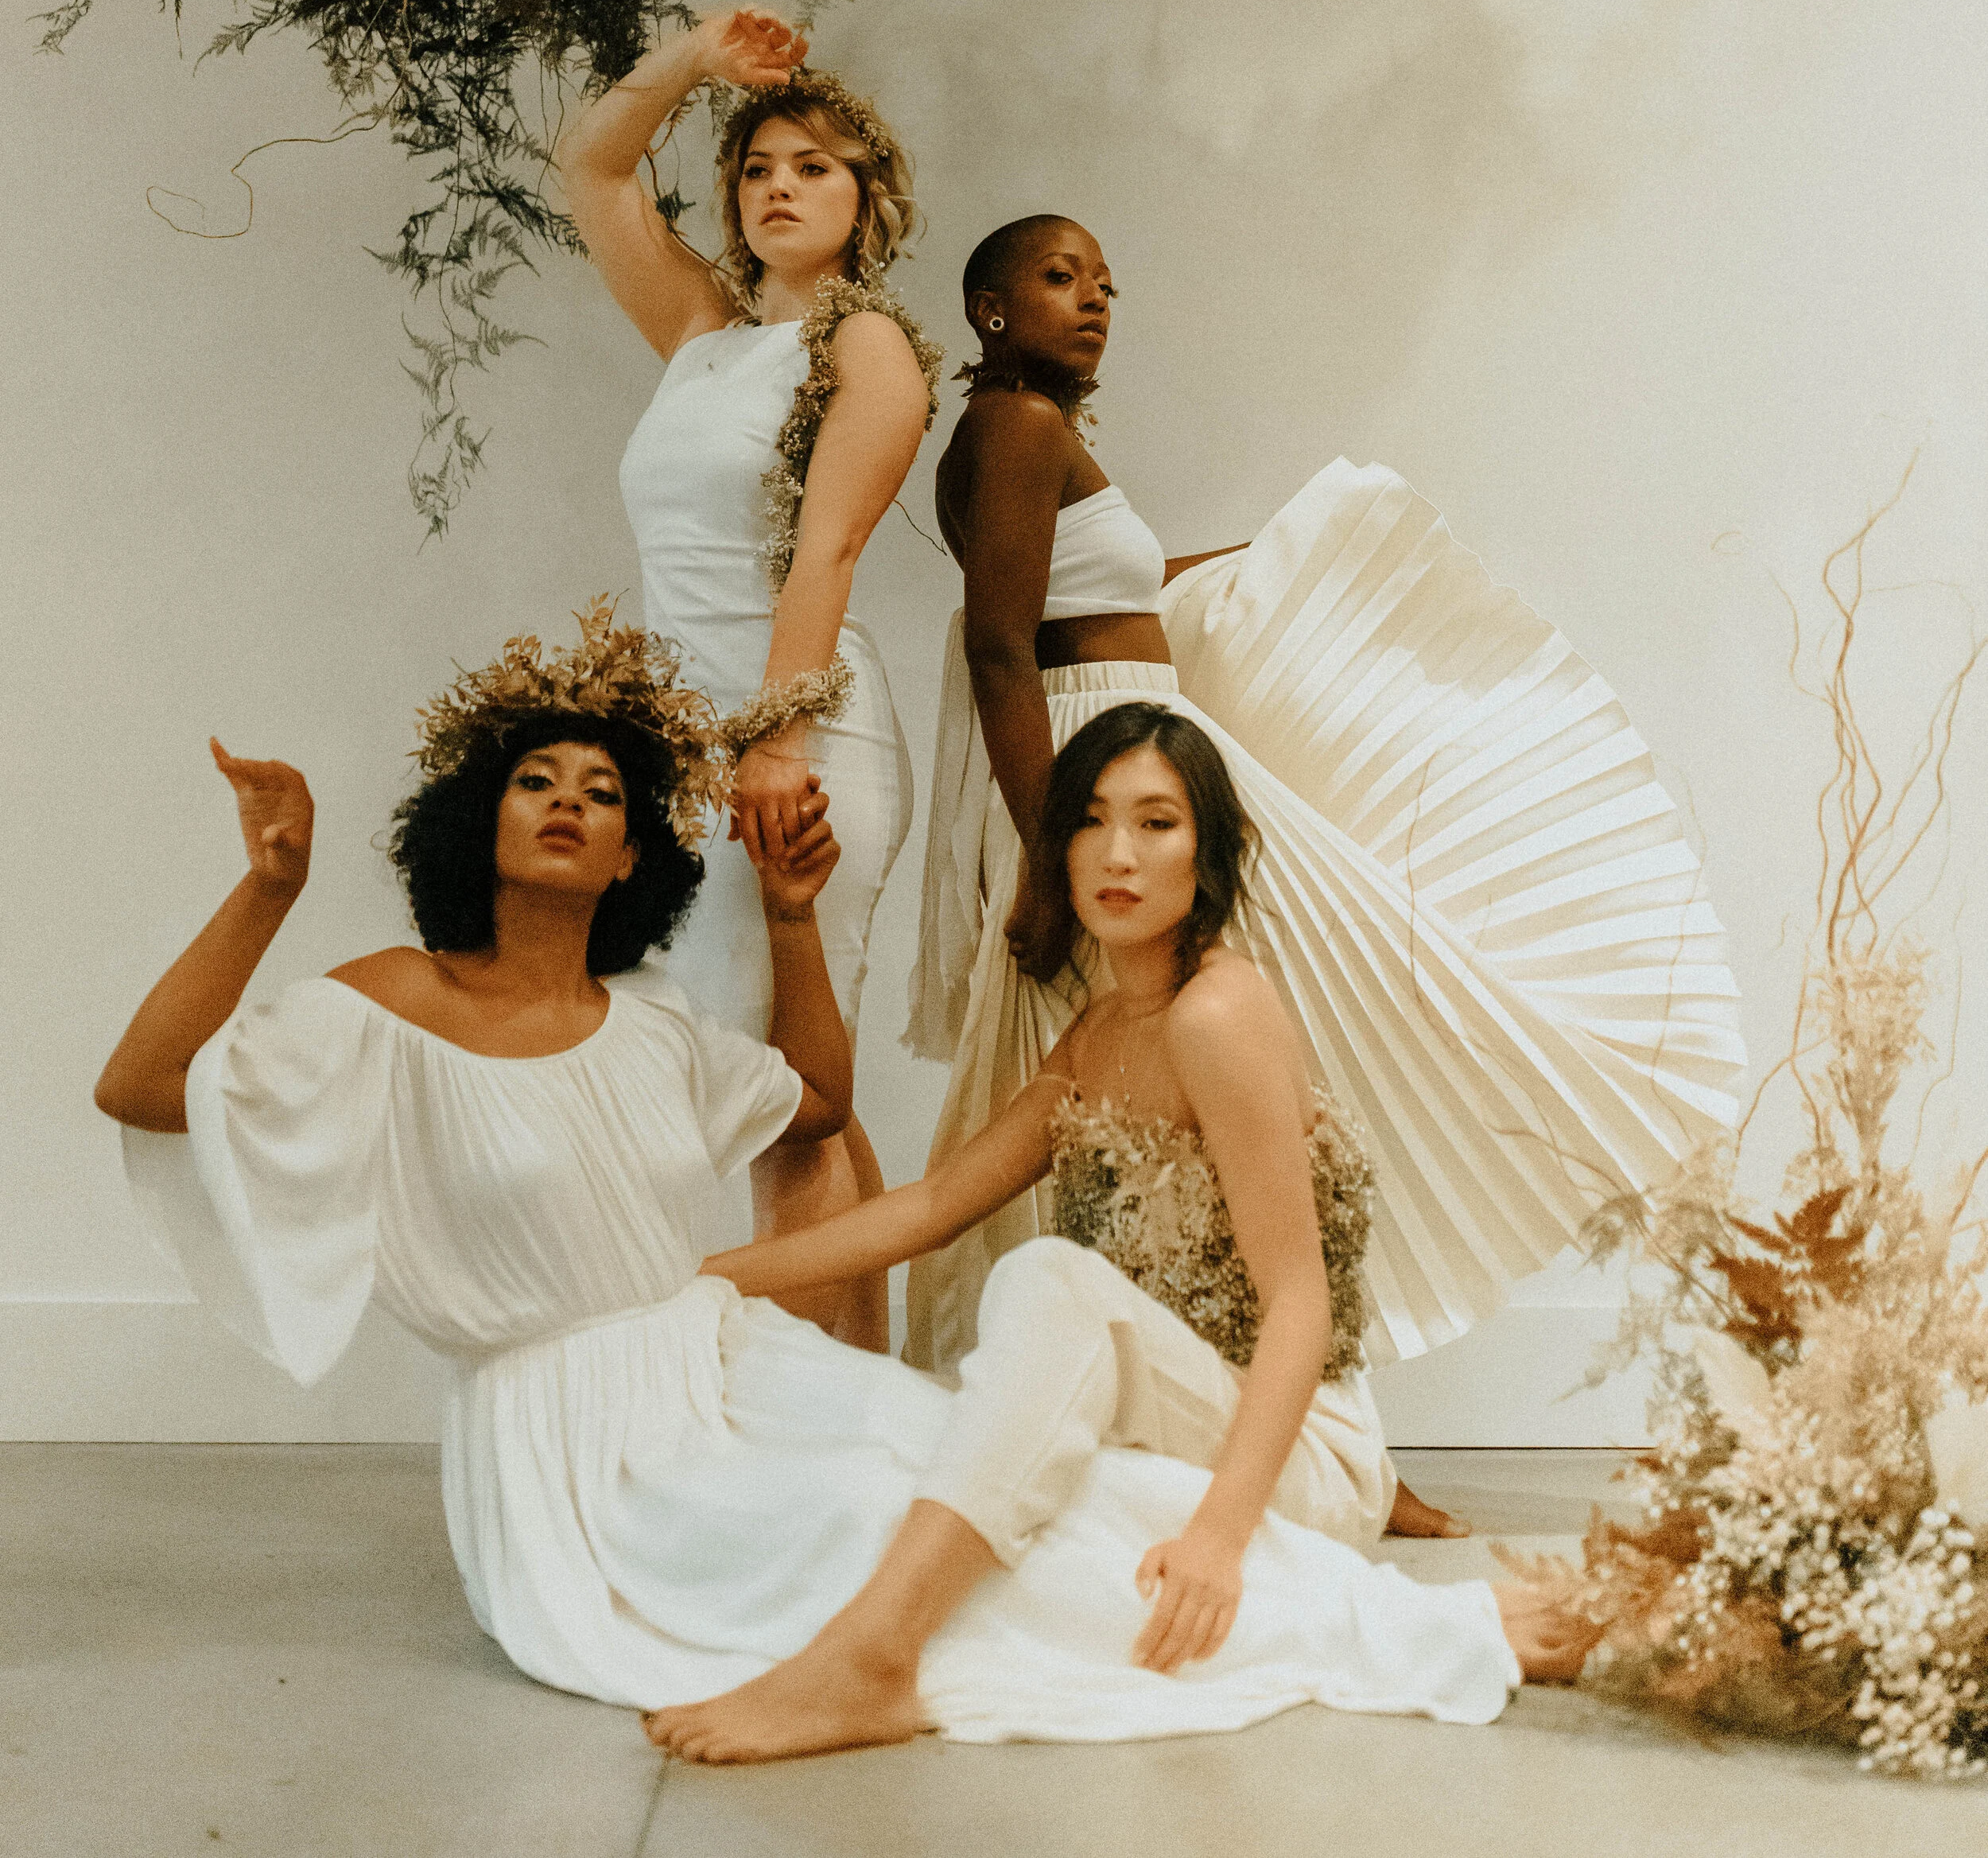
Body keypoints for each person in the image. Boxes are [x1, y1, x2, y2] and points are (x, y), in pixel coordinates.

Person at [95, 639, 1583, 1744]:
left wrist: (792, 920)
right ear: (472, 817)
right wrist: (268, 892)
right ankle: (1471, 1620)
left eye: (599, 788)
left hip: (800, 1380)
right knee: (958, 1475)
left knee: (942, 1460)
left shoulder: (657, 1022)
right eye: (531, 780)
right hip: (575, 1435)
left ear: (634, 852)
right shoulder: (393, 1004)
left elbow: (814, 1106)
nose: (563, 801)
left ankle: (893, 1655)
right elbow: (146, 1091)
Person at [648, 701, 1596, 1765]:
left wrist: (1219, 1540)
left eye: (1158, 823)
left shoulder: (1218, 1013)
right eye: (1092, 820)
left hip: (1297, 1449)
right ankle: (864, 1641)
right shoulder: (1099, 1029)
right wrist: (692, 1277)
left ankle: (870, 1657)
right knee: (925, 1447)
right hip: (1177, 1408)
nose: (1118, 853)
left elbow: (1300, 1303)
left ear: (1211, 852)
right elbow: (929, 1208)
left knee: (1047, 1277)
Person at [904, 215, 1745, 1386]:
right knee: (1210, 1085)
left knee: (1223, 1081)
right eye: (1060, 278)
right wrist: (1057, 854)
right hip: (1100, 772)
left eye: (1107, 282)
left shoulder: (1022, 432)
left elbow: (1088, 597)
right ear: (990, 309)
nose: (1095, 299)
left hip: (1123, 757)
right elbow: (1002, 644)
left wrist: (1291, 556)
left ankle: (1249, 1397)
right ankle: (1190, 1397)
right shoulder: (1019, 423)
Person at [558, 6, 941, 1343]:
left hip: (802, 735)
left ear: (867, 196)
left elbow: (825, 550)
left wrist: (774, 743)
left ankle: (813, 1435)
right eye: (758, 166)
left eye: (814, 166)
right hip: (688, 745)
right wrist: (690, 62)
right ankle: (867, 1407)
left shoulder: (868, 344)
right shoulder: (704, 334)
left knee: (785, 1099)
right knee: (796, 1097)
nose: (779, 186)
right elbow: (593, 170)